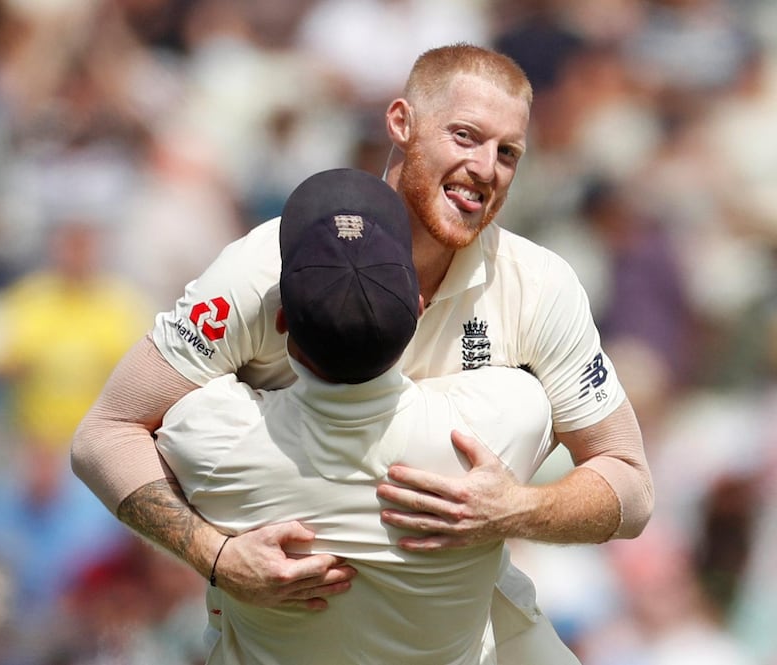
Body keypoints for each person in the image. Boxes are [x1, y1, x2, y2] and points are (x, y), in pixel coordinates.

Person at [72, 42, 653, 661]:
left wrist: (518, 508)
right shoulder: (268, 267)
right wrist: (214, 556)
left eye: (507, 152)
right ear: (402, 123)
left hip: (477, 634)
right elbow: (105, 433)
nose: (486, 168)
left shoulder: (537, 285)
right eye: (465, 136)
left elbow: (631, 484)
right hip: (284, 632)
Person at [154, 167, 568, 663]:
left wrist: (215, 556)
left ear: (281, 319)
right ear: (417, 310)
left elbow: (144, 422)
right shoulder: (499, 420)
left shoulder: (212, 438)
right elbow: (539, 405)